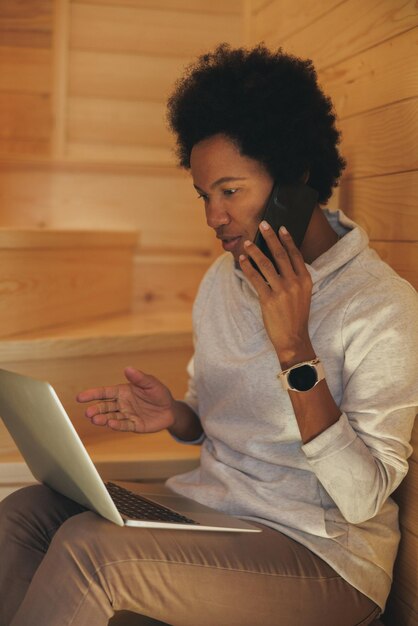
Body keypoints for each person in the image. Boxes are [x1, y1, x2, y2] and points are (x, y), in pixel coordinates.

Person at [0, 44, 417, 626]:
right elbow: (215, 418)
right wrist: (176, 415)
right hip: (215, 511)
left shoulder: (382, 305)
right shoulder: (223, 279)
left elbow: (362, 498)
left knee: (93, 554)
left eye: (230, 190)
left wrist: (296, 350)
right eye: (204, 195)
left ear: (293, 177)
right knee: (24, 513)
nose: (212, 217)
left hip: (323, 557)